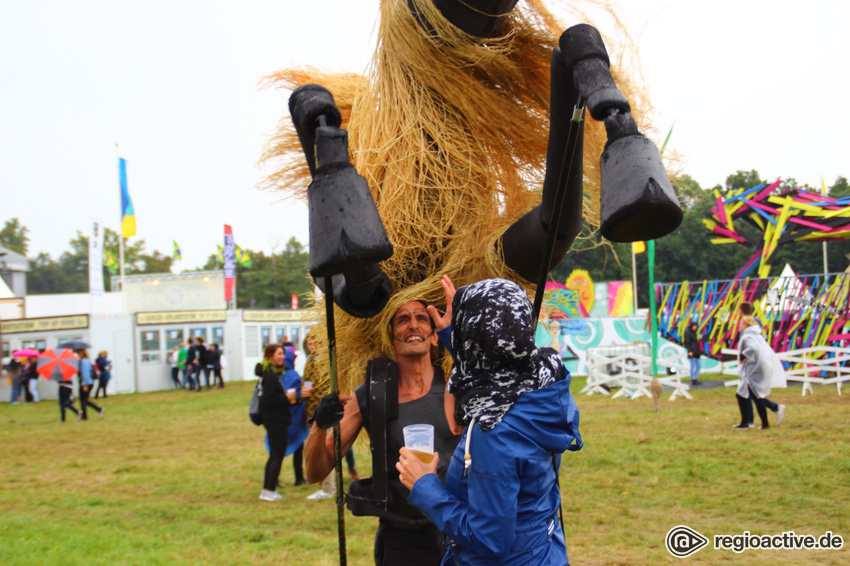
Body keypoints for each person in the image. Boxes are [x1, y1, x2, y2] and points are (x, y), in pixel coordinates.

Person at [397, 278, 583, 566]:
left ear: (476, 338)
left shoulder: (494, 430)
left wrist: (425, 485)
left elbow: (490, 541)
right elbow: (491, 370)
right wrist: (452, 335)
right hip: (544, 553)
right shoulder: (543, 381)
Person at [305, 297, 462, 566]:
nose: (413, 325)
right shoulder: (371, 394)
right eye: (402, 319)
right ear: (390, 338)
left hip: (458, 529)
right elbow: (315, 472)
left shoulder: (457, 385)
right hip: (402, 540)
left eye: (421, 318)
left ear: (434, 336)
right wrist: (320, 425)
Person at [732, 316, 786, 430]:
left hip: (752, 370)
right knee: (749, 395)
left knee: (754, 396)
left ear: (746, 325)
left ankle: (751, 423)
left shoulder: (747, 337)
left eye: (741, 324)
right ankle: (751, 422)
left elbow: (753, 349)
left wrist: (743, 355)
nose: (739, 326)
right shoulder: (755, 334)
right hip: (758, 369)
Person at [257, 343, 294, 501]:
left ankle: (267, 489)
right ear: (270, 356)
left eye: (283, 354)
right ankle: (269, 490)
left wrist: (296, 399)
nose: (283, 357)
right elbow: (267, 400)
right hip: (275, 420)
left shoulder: (270, 375)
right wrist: (286, 397)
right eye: (279, 354)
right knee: (277, 456)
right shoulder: (270, 377)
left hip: (274, 419)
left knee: (274, 455)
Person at [75, 349, 104, 420]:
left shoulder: (83, 361)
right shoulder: (86, 360)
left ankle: (97, 410)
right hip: (89, 382)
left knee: (83, 400)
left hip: (86, 383)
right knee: (84, 400)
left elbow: (85, 374)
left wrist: (84, 385)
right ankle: (87, 415)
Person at [683, 321, 703, 386]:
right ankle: (693, 379)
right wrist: (690, 351)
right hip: (692, 351)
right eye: (694, 326)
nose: (695, 327)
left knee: (698, 365)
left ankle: (695, 377)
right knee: (693, 365)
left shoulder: (695, 333)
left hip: (697, 351)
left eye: (696, 326)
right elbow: (687, 343)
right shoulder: (688, 333)